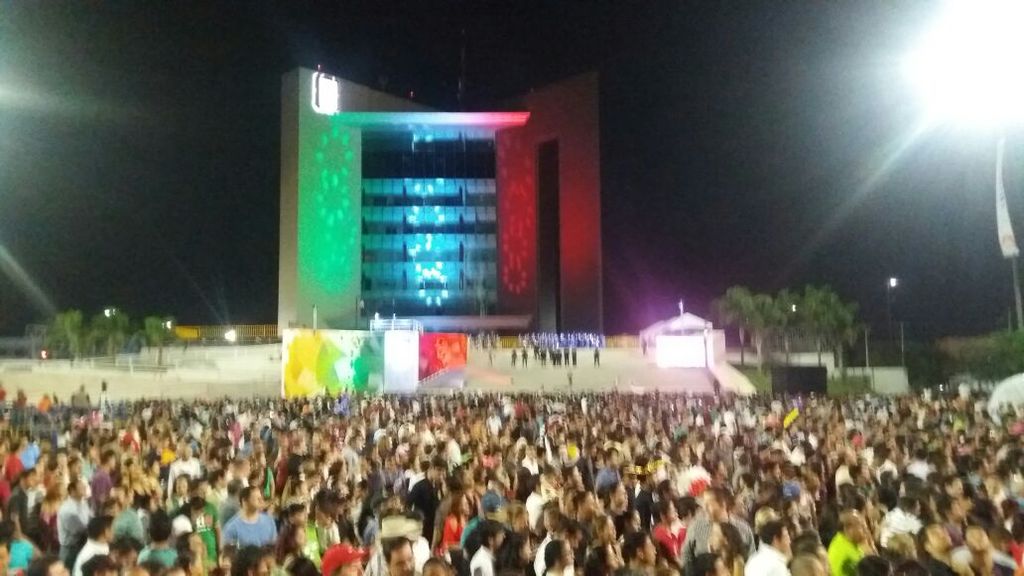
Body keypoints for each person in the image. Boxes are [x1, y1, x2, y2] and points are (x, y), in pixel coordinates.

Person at [57, 479, 91, 569]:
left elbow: (89, 519)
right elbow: (79, 530)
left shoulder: (83, 503)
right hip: (70, 548)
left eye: (84, 486)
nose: (84, 488)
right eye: (81, 487)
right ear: (72, 491)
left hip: (82, 545)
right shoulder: (67, 509)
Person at [828, 511, 875, 576]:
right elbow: (876, 572)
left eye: (865, 527)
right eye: (862, 527)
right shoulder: (846, 555)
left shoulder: (842, 538)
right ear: (849, 529)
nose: (866, 531)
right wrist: (869, 551)